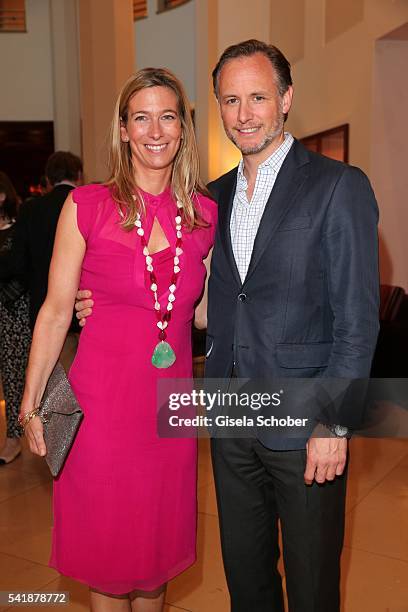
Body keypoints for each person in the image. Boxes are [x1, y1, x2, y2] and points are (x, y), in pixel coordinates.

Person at [76, 41, 379, 611]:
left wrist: (335, 426)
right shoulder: (208, 200)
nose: (244, 114)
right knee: (246, 580)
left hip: (305, 420)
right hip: (229, 415)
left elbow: (357, 321)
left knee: (312, 586)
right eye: (231, 100)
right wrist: (108, 304)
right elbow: (192, 299)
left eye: (258, 97)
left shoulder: (338, 186)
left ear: (286, 100)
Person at [19, 68, 217, 612]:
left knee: (155, 563)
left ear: (184, 127)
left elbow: (199, 312)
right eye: (141, 117)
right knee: (107, 565)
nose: (156, 130)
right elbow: (57, 309)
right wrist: (31, 403)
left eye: (168, 116)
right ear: (124, 129)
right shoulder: (87, 206)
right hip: (100, 410)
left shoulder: (204, 215)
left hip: (169, 411)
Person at [0, 151, 83, 331]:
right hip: (82, 309)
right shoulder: (88, 206)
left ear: (49, 178)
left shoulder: (31, 209)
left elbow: (18, 262)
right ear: (79, 175)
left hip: (44, 310)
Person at [0, 172, 31, 464]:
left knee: (15, 378)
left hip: (13, 314)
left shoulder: (18, 228)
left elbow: (23, 271)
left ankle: (13, 439)